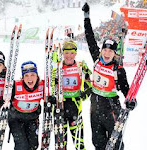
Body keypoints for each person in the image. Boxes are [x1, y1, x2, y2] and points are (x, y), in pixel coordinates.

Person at [82, 3, 137, 150]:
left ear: (114, 53)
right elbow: (90, 38)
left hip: (111, 109)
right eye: (104, 50)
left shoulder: (117, 69)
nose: (106, 53)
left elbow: (127, 91)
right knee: (98, 143)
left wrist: (132, 102)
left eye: (110, 51)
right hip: (95, 108)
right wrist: (86, 17)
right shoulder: (97, 60)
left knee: (115, 143)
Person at [61, 40, 92, 150]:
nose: (69, 56)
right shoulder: (57, 67)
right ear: (62, 53)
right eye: (66, 53)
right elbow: (51, 86)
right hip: (61, 109)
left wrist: (85, 94)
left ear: (76, 53)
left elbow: (90, 81)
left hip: (75, 109)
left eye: (72, 53)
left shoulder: (80, 66)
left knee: (79, 144)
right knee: (61, 145)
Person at [8, 61, 44, 150]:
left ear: (37, 76)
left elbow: (50, 94)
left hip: (32, 118)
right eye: (26, 76)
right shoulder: (16, 86)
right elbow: (5, 96)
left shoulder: (42, 86)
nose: (30, 79)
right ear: (23, 77)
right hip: (16, 119)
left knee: (33, 146)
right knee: (22, 146)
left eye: (32, 75)